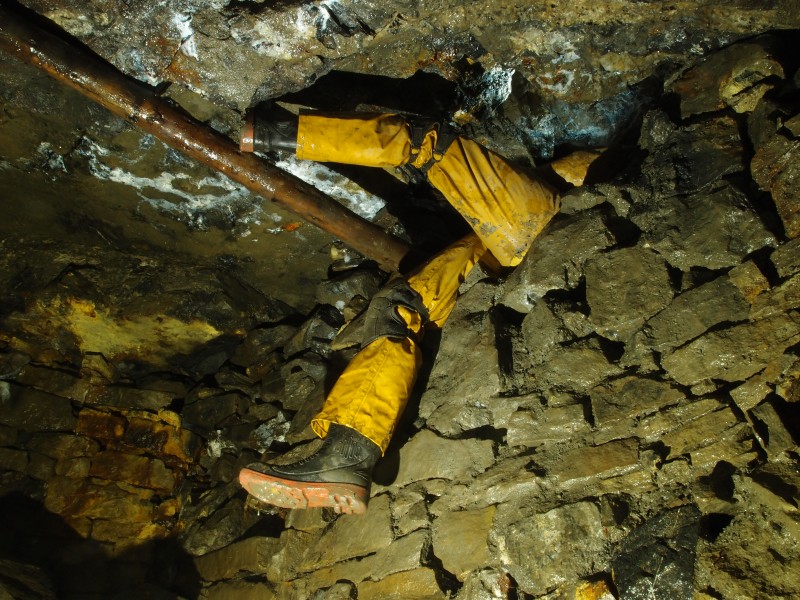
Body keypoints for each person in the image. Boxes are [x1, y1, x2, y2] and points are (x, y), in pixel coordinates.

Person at [237, 108, 599, 514]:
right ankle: (347, 454)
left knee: (431, 142)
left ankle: (281, 134)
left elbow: (570, 177)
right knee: (396, 307)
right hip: (504, 245)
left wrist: (284, 136)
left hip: (535, 220)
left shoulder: (574, 175)